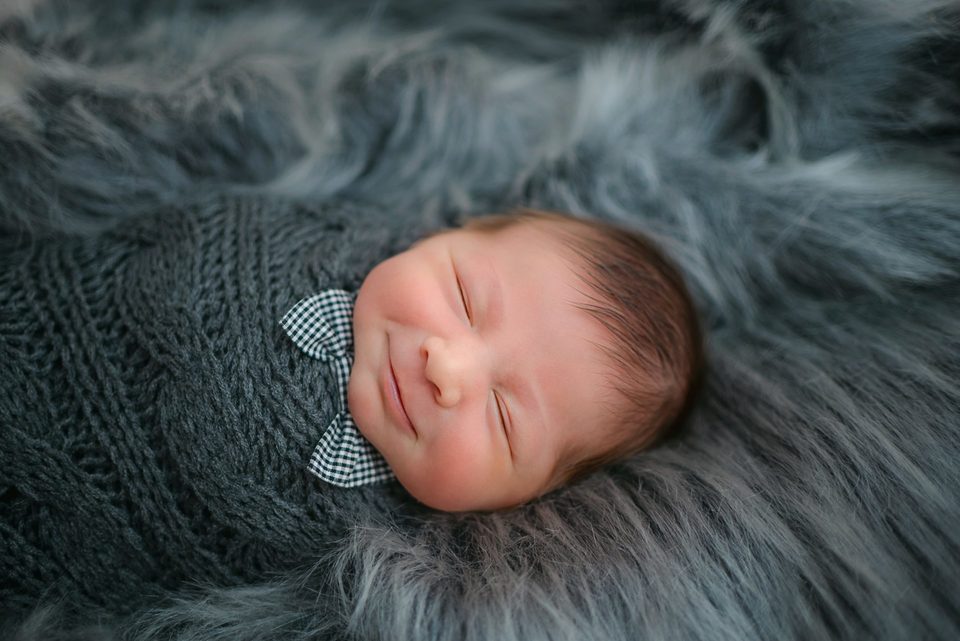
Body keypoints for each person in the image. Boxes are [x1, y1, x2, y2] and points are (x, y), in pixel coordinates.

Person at [345, 208, 704, 511]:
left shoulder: (392, 550)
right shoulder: (346, 228)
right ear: (443, 235)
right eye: (465, 300)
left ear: (525, 499)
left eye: (502, 417)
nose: (447, 369)